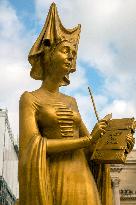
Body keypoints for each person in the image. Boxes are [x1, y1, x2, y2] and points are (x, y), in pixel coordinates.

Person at [18, 3, 134, 205]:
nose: (71, 56)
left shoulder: (72, 101)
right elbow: (31, 147)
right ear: (47, 55)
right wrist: (87, 140)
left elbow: (91, 150)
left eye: (73, 52)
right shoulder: (30, 98)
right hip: (56, 179)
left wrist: (115, 146)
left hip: (83, 179)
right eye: (65, 50)